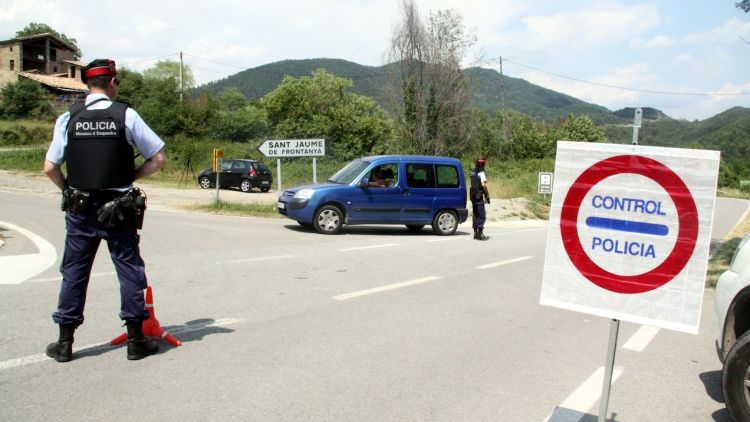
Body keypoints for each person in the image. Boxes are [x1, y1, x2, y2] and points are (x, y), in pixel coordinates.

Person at [43, 59, 168, 362]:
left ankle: (64, 343)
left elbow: (50, 167)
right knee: (128, 269)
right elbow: (158, 159)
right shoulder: (126, 115)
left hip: (80, 208)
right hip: (120, 208)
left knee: (74, 272)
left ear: (88, 84)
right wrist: (130, 178)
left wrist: (68, 191)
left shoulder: (69, 118)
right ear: (112, 82)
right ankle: (136, 340)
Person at [470, 158, 490, 240]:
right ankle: (480, 234)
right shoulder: (481, 173)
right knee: (481, 215)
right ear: (483, 165)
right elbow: (483, 185)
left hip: (472, 196)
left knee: (475, 214)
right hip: (478, 196)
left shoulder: (472, 173)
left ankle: (475, 233)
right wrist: (487, 194)